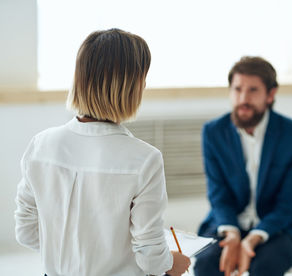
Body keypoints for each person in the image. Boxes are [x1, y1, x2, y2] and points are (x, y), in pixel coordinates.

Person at [14, 28, 190, 276]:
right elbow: (150, 257)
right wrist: (172, 262)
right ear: (133, 86)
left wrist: (72, 256)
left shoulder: (40, 145)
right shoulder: (145, 159)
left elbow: (25, 232)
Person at [194, 56, 292, 276]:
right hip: (229, 221)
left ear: (271, 94)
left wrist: (254, 237)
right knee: (206, 264)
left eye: (253, 90)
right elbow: (218, 194)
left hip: (280, 225)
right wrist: (232, 234)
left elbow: (289, 203)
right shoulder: (213, 132)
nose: (243, 98)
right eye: (237, 89)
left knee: (264, 267)